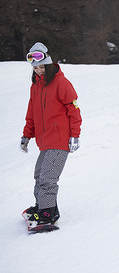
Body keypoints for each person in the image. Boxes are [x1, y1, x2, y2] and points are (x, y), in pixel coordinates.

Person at [21, 42, 82, 229]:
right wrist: (26, 135)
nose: (39, 71)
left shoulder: (61, 82)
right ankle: (43, 207)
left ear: (48, 64)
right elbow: (31, 113)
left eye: (41, 67)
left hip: (59, 140)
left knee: (48, 178)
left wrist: (75, 136)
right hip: (44, 141)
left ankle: (47, 214)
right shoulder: (36, 86)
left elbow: (74, 109)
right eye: (35, 68)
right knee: (39, 174)